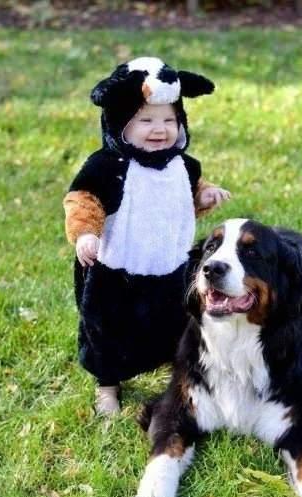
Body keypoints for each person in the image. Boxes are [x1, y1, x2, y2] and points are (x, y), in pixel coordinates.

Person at [63, 56, 230, 415]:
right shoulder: (106, 167)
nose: (159, 129)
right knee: (109, 330)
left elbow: (187, 195)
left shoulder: (183, 166)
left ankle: (178, 368)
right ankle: (108, 384)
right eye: (146, 120)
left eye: (169, 120)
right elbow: (83, 201)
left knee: (173, 323)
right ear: (121, 122)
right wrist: (85, 234)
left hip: (171, 267)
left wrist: (204, 196)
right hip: (117, 270)